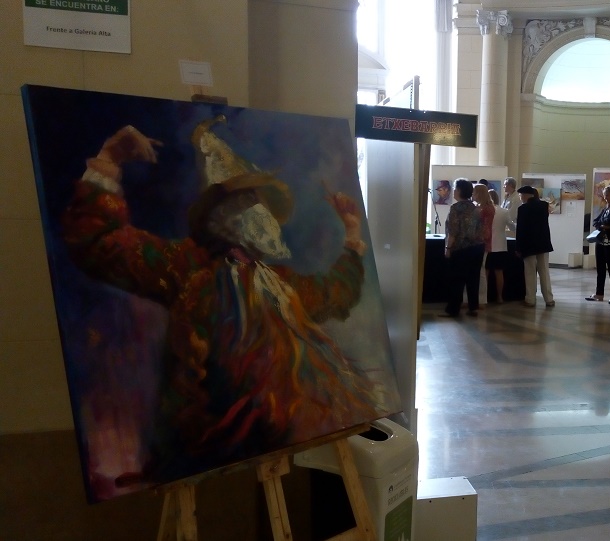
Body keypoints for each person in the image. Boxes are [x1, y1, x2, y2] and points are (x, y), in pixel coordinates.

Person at [61, 119, 383, 480]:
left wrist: (353, 232)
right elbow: (100, 245)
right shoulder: (187, 267)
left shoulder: (279, 283)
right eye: (252, 203)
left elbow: (333, 292)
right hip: (208, 442)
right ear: (225, 215)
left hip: (280, 430)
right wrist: (107, 160)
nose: (268, 219)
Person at [443, 178, 485, 318]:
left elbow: (453, 231)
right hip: (477, 248)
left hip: (460, 249)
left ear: (459, 190)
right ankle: (473, 307)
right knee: (473, 279)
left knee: (456, 280)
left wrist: (448, 248)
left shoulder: (456, 208)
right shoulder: (475, 208)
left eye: (455, 189)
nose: (453, 191)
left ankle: (453, 309)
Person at [515, 185, 555, 307]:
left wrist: (518, 247)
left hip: (529, 245)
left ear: (527, 195)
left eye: (521, 195)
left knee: (530, 272)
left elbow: (520, 230)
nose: (521, 198)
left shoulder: (523, 209)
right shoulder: (544, 206)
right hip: (543, 243)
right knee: (544, 271)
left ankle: (530, 299)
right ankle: (549, 299)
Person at [472, 184, 495, 307]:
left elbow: (486, 230)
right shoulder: (478, 207)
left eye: (474, 193)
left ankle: (482, 300)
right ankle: (471, 299)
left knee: (481, 271)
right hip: (476, 242)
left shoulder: (487, 208)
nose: (472, 195)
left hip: (482, 243)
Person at [486, 189, 510, 303]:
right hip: (500, 246)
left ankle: (483, 297)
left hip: (487, 245)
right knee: (499, 273)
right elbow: (512, 226)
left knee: (485, 273)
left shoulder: (483, 210)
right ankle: (499, 297)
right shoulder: (504, 212)